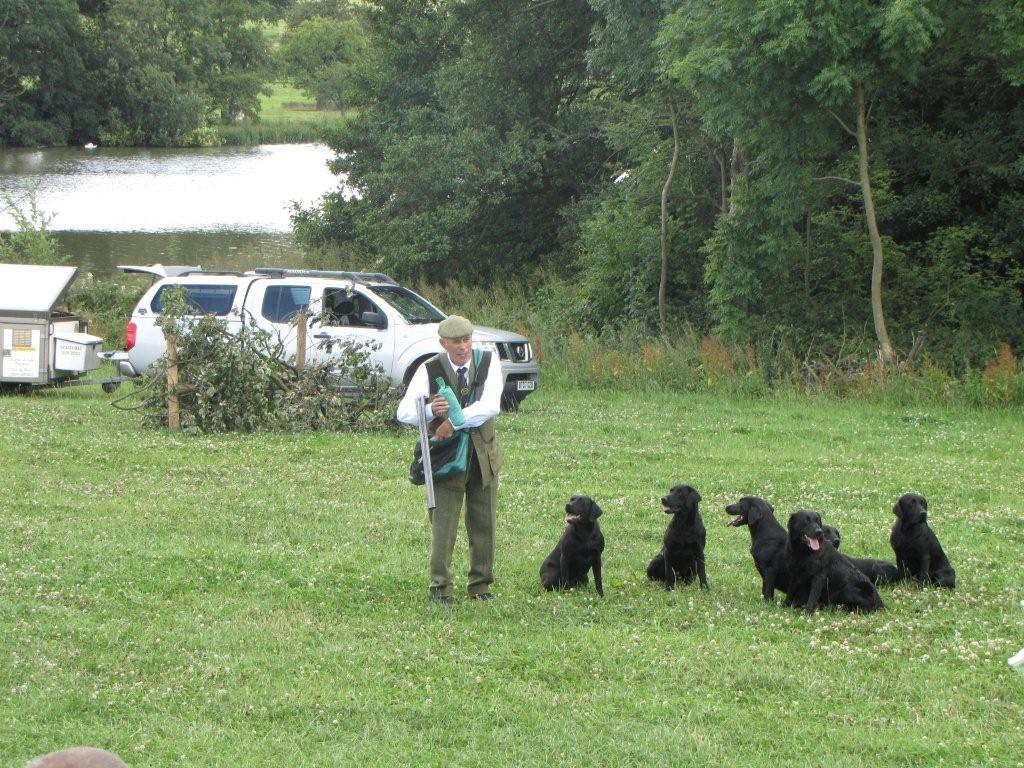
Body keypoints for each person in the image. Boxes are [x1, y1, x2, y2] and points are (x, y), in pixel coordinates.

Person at [397, 315, 504, 606]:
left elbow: (490, 406)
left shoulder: (488, 362)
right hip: (444, 460)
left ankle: (480, 586)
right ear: (443, 343)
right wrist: (431, 409)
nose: (462, 347)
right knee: (443, 525)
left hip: (483, 455)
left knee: (485, 523)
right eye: (455, 342)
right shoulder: (428, 369)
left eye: (467, 340)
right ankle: (441, 588)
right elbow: (404, 413)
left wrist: (453, 422)